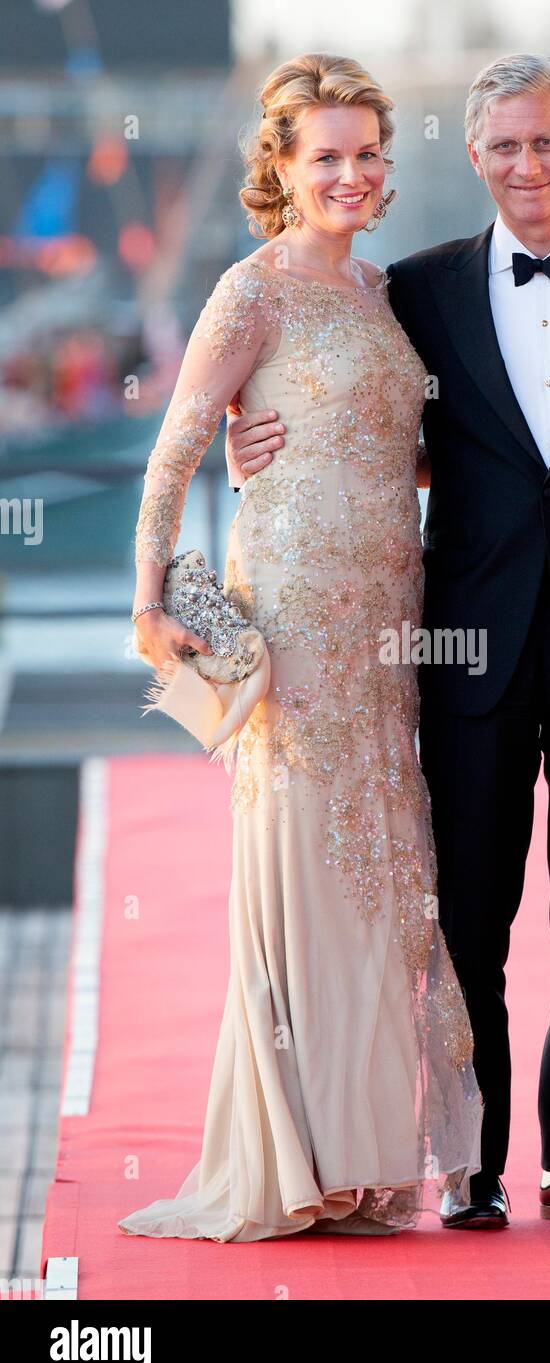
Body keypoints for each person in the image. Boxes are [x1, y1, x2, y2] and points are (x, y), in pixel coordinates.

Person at [228, 53, 550, 1229]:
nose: (524, 164)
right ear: (473, 157)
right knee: (467, 917)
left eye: (544, 142)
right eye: (502, 146)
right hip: (466, 647)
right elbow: (341, 396)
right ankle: (473, 1162)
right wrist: (253, 435)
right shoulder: (417, 289)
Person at [119, 53, 482, 1244]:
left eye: (367, 153)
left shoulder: (381, 292)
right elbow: (174, 451)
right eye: (324, 155)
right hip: (292, 620)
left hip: (387, 622)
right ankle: (295, 1154)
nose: (350, 173)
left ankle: (366, 1156)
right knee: (308, 866)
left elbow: (397, 454)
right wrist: (148, 602)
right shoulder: (250, 289)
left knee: (382, 875)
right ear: (279, 166)